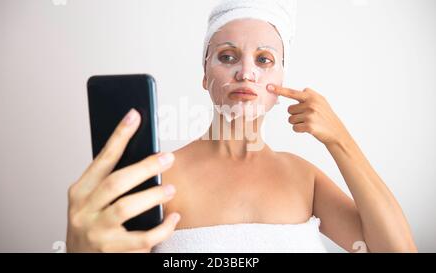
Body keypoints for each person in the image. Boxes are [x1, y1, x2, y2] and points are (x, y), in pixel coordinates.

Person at [66, 0, 417, 252]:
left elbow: (397, 250)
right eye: (228, 57)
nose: (246, 72)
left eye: (264, 59)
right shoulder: (159, 179)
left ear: (281, 79)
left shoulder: (303, 178)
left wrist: (340, 140)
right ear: (205, 75)